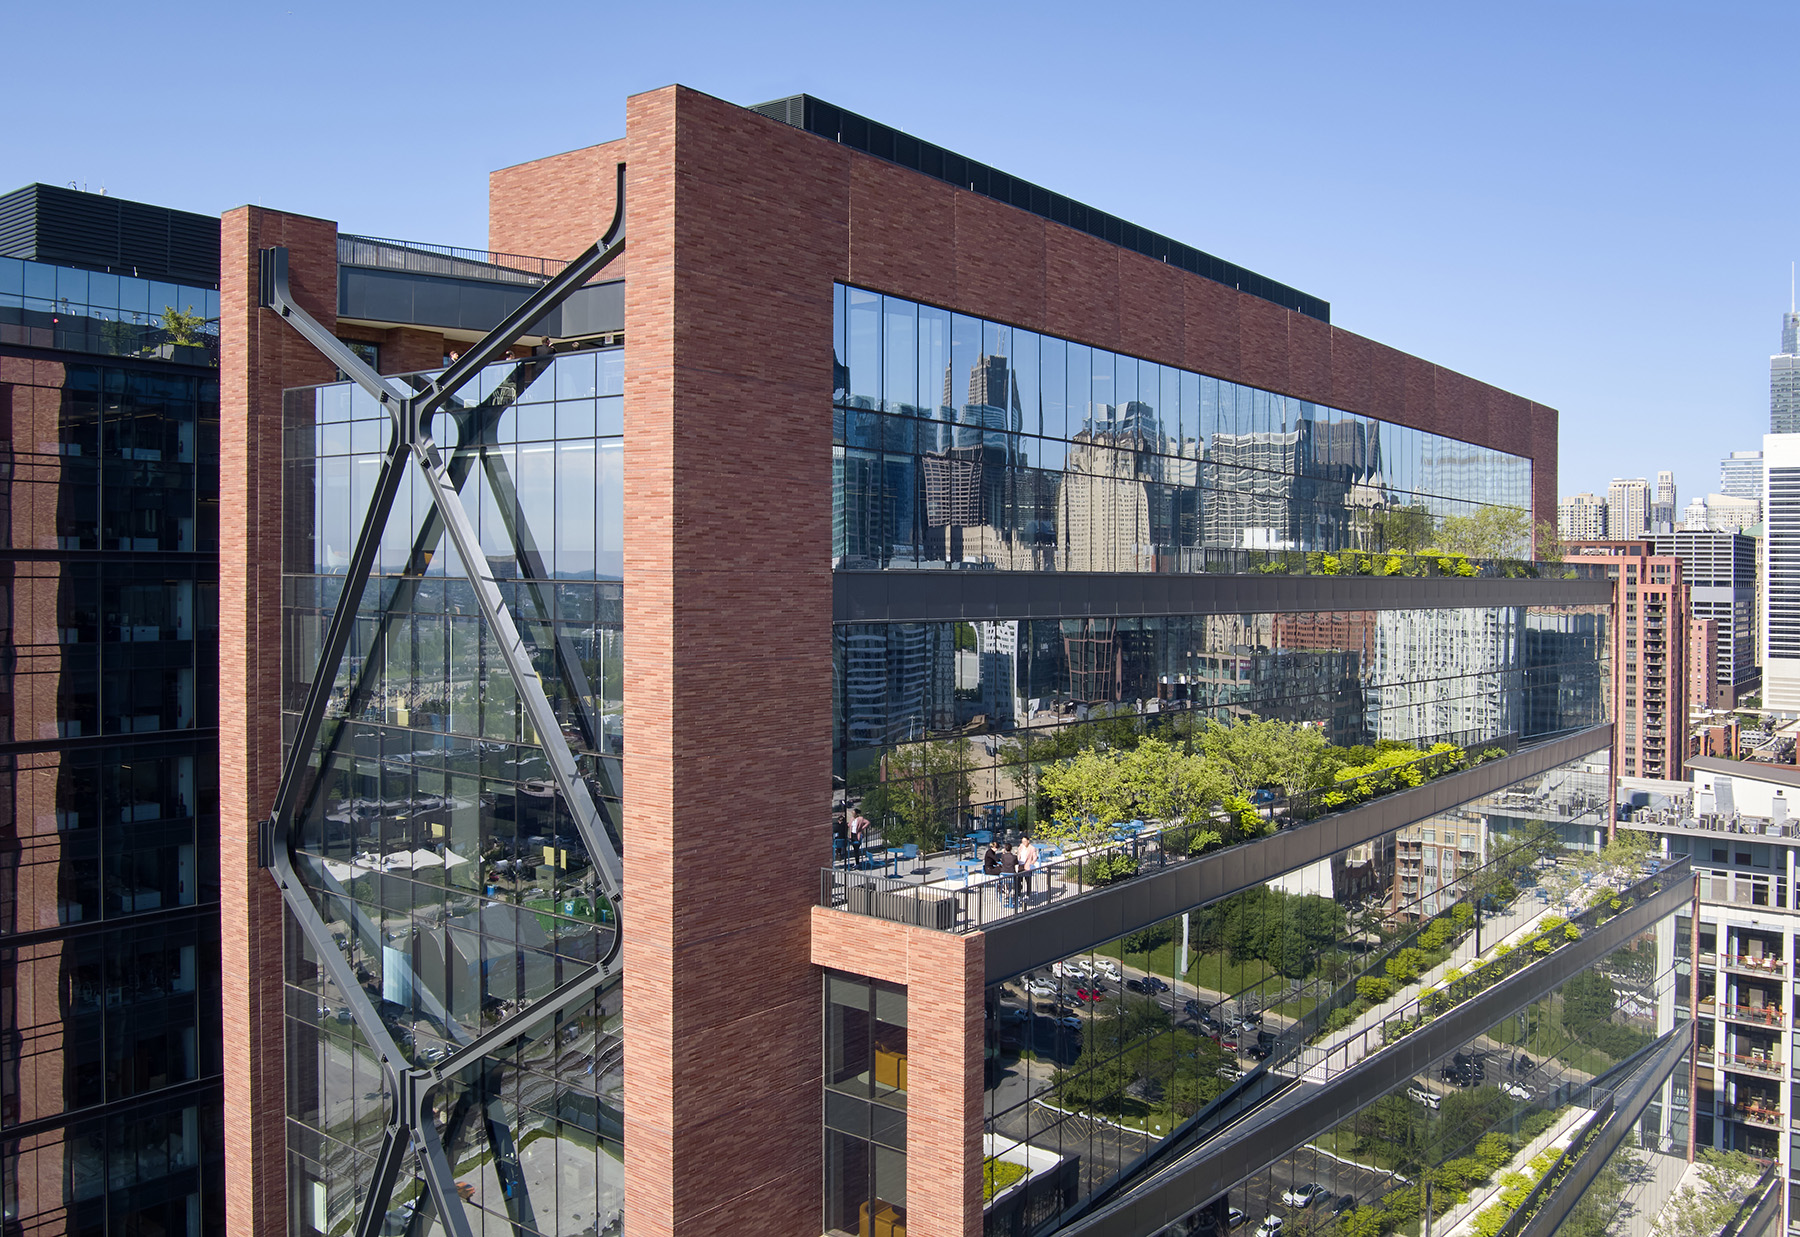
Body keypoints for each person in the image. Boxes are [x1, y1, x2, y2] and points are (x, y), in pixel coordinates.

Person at [1017, 835, 1039, 904]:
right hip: (1020, 865)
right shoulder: (1021, 846)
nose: (1024, 843)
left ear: (1028, 841)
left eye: (1025, 841)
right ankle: (1019, 894)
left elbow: (1035, 857)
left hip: (1027, 866)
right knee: (1019, 880)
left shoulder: (1032, 848)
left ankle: (1028, 894)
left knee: (1028, 880)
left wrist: (1032, 863)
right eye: (1022, 841)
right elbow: (1018, 854)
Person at [997, 844, 1020, 908]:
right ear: (1011, 849)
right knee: (1015, 881)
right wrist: (1016, 854)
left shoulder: (1003, 856)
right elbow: (1016, 862)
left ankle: (1006, 891)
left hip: (1004, 873)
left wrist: (1003, 852)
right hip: (1011, 873)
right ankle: (1013, 894)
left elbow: (1002, 861)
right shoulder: (1013, 857)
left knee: (1005, 882)